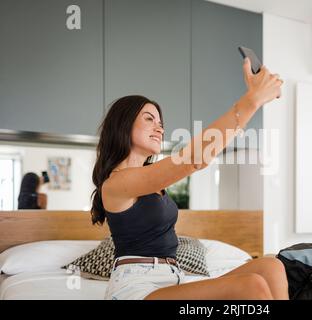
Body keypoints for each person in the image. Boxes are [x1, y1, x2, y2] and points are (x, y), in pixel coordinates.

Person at [92, 57, 287, 300]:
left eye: (161, 123)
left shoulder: (151, 182)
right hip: (137, 288)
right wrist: (252, 100)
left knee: (271, 266)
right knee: (251, 286)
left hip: (173, 280)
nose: (160, 128)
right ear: (122, 124)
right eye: (149, 119)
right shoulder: (116, 183)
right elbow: (195, 159)